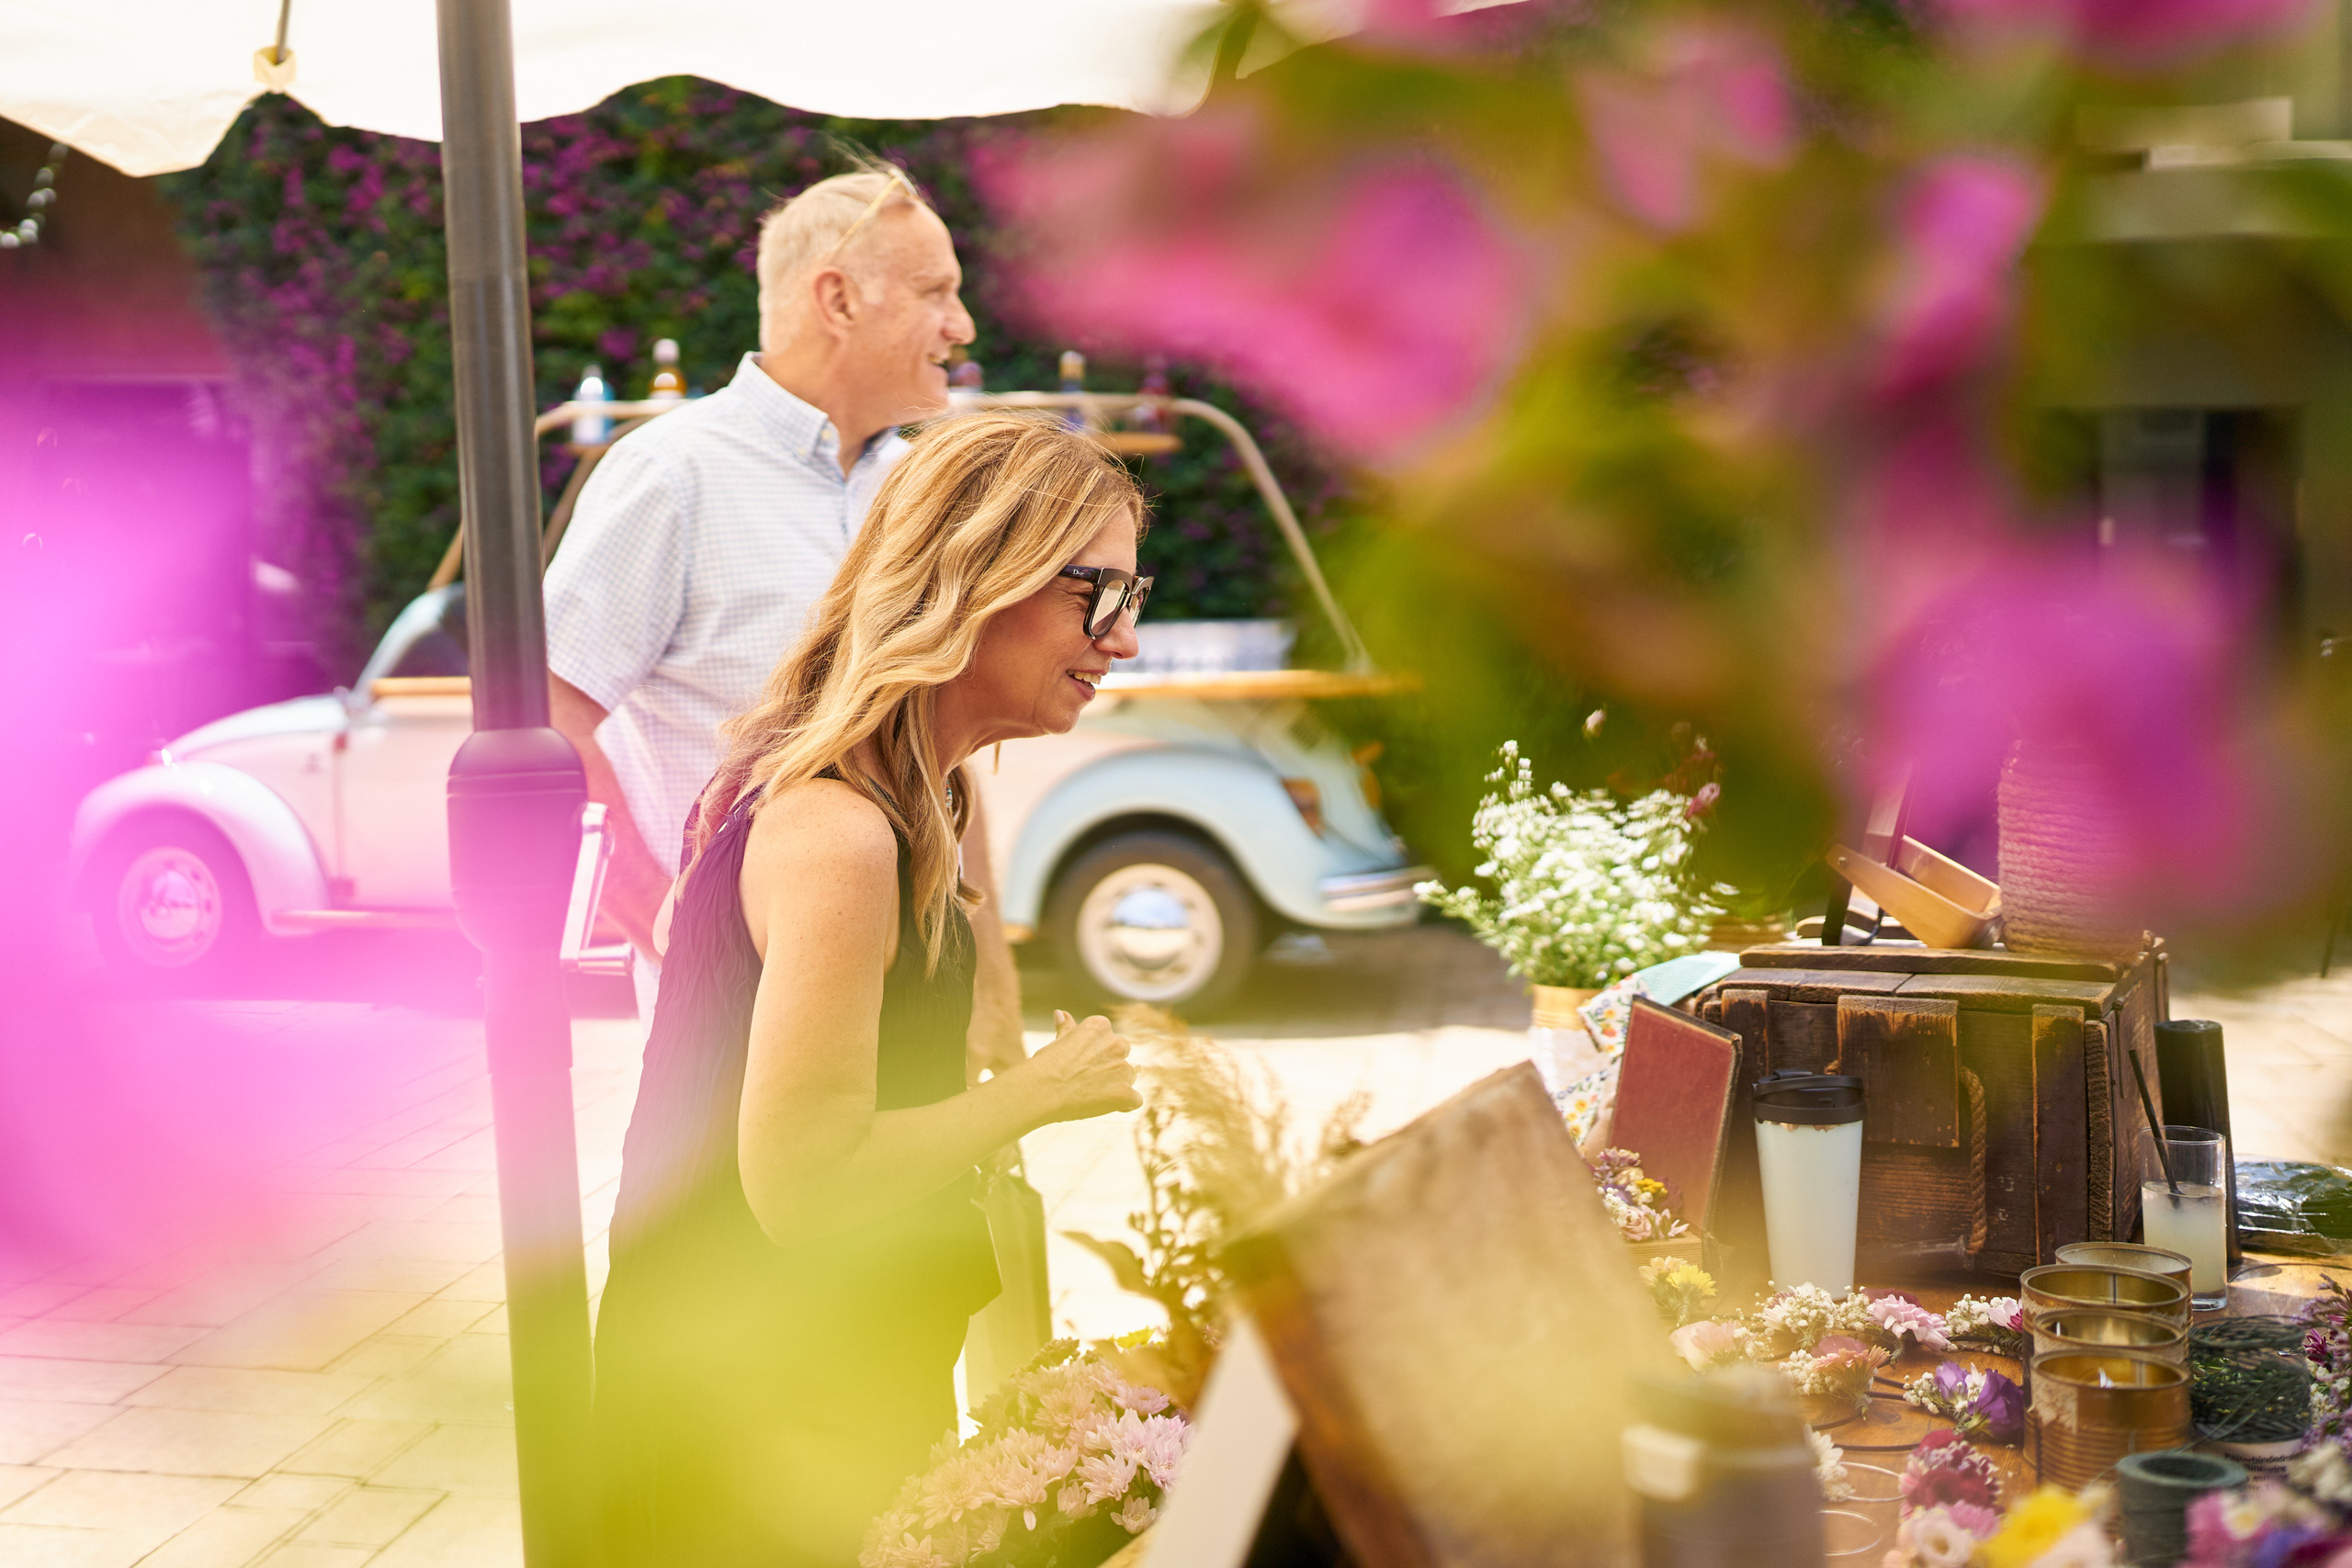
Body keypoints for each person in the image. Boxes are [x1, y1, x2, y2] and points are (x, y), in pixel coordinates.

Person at [593, 410, 1154, 1568]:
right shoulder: (839, 834)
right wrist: (1041, 1091)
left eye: (1131, 596)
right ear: (971, 576)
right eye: (1095, 593)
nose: (1123, 639)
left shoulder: (912, 801)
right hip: (747, 1419)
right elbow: (803, 1182)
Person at [542, 164, 1024, 1074]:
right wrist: (664, 917)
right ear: (837, 301)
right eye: (935, 293)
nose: (961, 328)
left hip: (921, 1008)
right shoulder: (672, 476)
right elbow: (548, 714)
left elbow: (940, 750)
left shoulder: (913, 490)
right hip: (742, 1025)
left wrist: (989, 998)